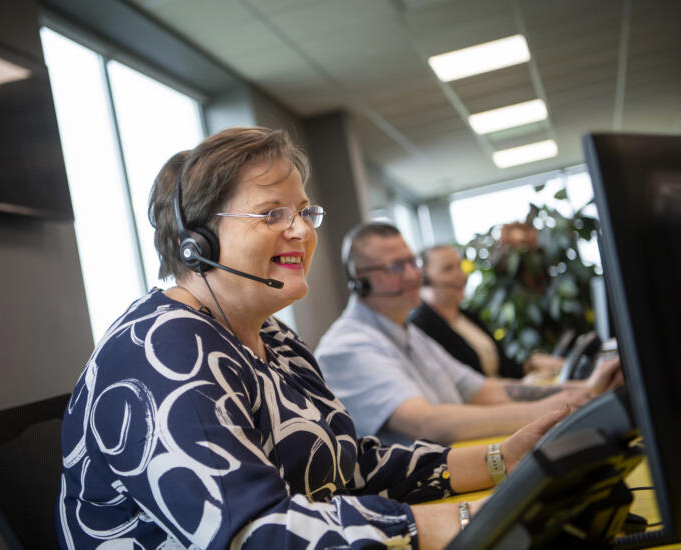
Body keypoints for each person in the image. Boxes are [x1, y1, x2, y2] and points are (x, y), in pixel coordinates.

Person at [56, 127, 572, 550]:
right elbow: (257, 535)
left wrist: (501, 459)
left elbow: (350, 464)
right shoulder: (163, 353)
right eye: (272, 213)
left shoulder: (273, 337)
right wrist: (462, 519)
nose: (301, 231)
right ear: (197, 243)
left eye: (304, 211)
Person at [315, 222, 621, 446]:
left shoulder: (408, 332)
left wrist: (581, 388)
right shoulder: (348, 346)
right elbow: (427, 422)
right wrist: (546, 410)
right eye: (395, 267)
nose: (413, 275)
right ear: (360, 283)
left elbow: (482, 390)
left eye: (412, 262)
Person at [409, 244, 565, 379]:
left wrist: (532, 365)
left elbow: (505, 368)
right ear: (424, 278)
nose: (461, 275)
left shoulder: (466, 315)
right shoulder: (420, 327)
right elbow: (466, 385)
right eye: (448, 269)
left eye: (459, 266)